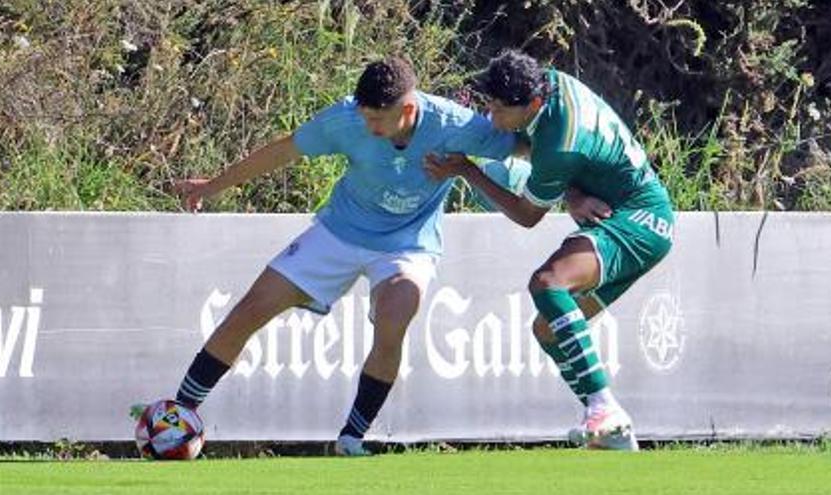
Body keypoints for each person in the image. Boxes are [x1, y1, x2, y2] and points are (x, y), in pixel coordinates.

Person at [133, 56, 518, 456]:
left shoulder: (455, 125)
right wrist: (213, 185)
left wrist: (578, 182)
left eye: (378, 120)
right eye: (365, 116)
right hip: (339, 232)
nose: (369, 128)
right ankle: (177, 417)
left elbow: (523, 146)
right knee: (252, 307)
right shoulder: (347, 119)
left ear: (407, 109)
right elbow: (283, 151)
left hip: (408, 243)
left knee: (397, 310)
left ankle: (352, 437)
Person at [425, 50, 674, 451]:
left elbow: (527, 215)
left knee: (547, 283)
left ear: (534, 103)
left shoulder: (558, 146)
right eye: (489, 106)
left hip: (639, 219)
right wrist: (573, 193)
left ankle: (604, 406)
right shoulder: (550, 82)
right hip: (635, 214)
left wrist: (467, 170)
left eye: (500, 110)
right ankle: (612, 432)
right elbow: (559, 151)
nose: (492, 118)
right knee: (548, 330)